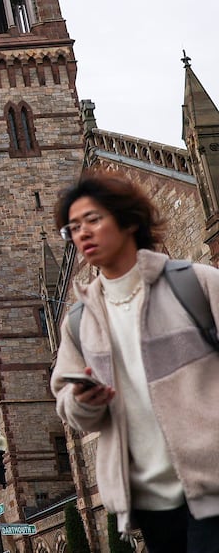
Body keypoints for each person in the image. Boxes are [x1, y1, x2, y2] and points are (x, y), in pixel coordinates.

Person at [50, 172, 219, 553]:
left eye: (93, 220)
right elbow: (67, 404)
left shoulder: (196, 284)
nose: (82, 234)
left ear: (128, 221)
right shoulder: (79, 323)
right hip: (152, 505)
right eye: (73, 227)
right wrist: (81, 402)